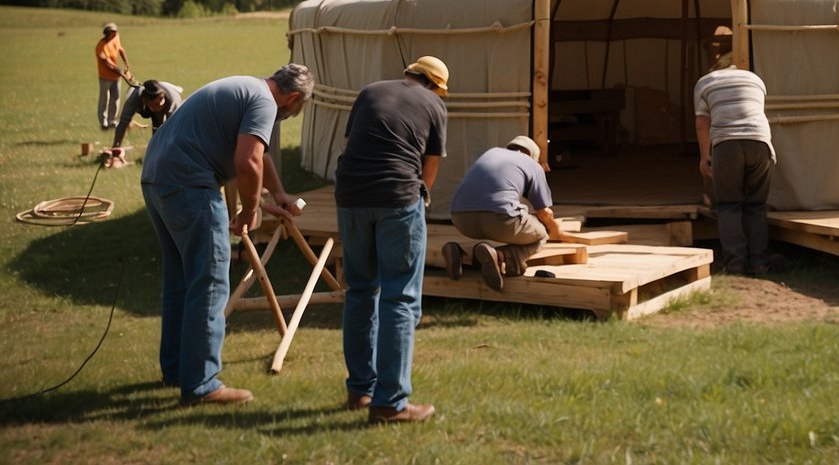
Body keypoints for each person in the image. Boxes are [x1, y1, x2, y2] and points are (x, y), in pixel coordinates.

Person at [140, 63, 313, 406]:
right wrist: (250, 211)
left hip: (157, 177)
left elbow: (258, 154)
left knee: (181, 281)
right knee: (210, 282)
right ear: (293, 98)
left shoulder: (249, 88)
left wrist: (276, 194)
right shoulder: (264, 103)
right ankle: (201, 384)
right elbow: (248, 162)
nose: (292, 116)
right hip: (189, 185)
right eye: (297, 110)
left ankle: (177, 370)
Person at [335, 56, 449, 425]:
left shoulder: (370, 91)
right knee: (399, 297)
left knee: (360, 290)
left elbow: (354, 143)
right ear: (434, 85)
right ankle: (390, 403)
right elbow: (429, 168)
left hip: (350, 195)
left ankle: (360, 391)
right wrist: (419, 202)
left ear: (408, 74)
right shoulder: (434, 104)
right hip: (397, 195)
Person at [694, 34, 776, 276]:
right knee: (756, 205)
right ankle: (760, 262)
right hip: (760, 142)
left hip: (727, 145)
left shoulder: (705, 82)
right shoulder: (754, 79)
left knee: (729, 205)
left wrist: (704, 157)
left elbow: (701, 123)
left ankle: (735, 264)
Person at [444, 136, 567, 291]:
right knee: (541, 234)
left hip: (460, 218)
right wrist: (555, 230)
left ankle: (460, 252)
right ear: (532, 155)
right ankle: (501, 256)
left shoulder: (491, 153)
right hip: (499, 218)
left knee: (494, 234)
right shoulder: (532, 164)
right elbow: (544, 212)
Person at [110, 79, 185, 151]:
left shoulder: (173, 100)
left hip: (170, 96)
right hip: (143, 105)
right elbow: (123, 123)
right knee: (157, 123)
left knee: (162, 128)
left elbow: (174, 128)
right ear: (145, 101)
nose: (161, 104)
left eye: (161, 100)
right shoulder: (134, 98)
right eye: (156, 104)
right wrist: (115, 148)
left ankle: (159, 151)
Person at [95, 22, 134, 130]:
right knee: (104, 99)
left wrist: (126, 63)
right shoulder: (101, 47)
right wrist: (120, 72)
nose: (116, 33)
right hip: (105, 77)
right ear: (107, 33)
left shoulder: (116, 38)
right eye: (113, 32)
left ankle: (112, 120)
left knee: (115, 98)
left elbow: (120, 49)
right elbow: (107, 63)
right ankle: (104, 122)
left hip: (116, 77)